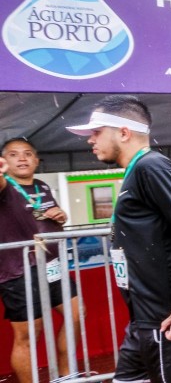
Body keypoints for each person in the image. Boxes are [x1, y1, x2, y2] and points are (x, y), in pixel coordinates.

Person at [65, 95, 171, 383]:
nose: (90, 140)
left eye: (96, 132)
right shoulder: (140, 170)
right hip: (144, 318)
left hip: (165, 318)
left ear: (124, 132)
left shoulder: (151, 166)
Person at [0, 138, 79, 383]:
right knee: (28, 336)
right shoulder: (5, 186)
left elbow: (48, 220)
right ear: (4, 162)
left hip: (52, 266)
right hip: (18, 271)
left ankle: (66, 376)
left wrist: (61, 216)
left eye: (27, 154)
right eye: (13, 154)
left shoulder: (42, 186)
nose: (22, 158)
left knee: (77, 314)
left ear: (36, 160)